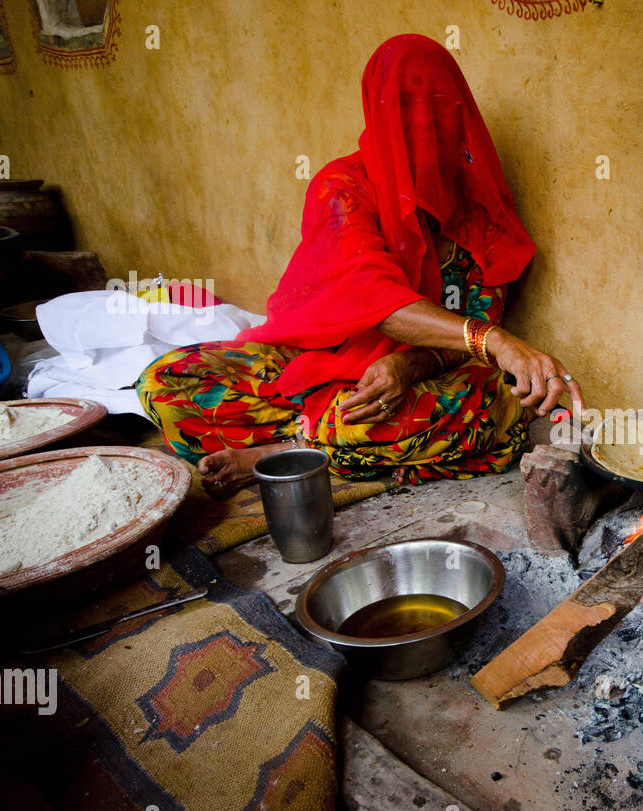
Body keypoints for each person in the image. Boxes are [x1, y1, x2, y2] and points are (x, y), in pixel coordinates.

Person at [136, 34, 583, 497]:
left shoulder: (478, 213)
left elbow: (476, 336)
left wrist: (409, 365)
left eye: (440, 108)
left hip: (406, 384)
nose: (426, 125)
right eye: (407, 110)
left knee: (497, 395)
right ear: (379, 114)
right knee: (163, 384)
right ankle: (319, 441)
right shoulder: (341, 188)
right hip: (313, 362)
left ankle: (286, 450)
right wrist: (496, 340)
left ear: (462, 116)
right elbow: (377, 300)